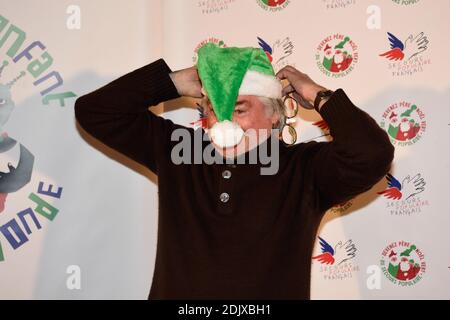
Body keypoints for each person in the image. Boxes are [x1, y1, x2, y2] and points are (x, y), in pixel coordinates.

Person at [74, 44, 394, 299]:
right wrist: (173, 82)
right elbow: (95, 111)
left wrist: (317, 94)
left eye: (239, 109)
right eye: (213, 109)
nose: (222, 121)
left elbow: (372, 154)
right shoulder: (179, 152)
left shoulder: (306, 168)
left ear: (274, 115)